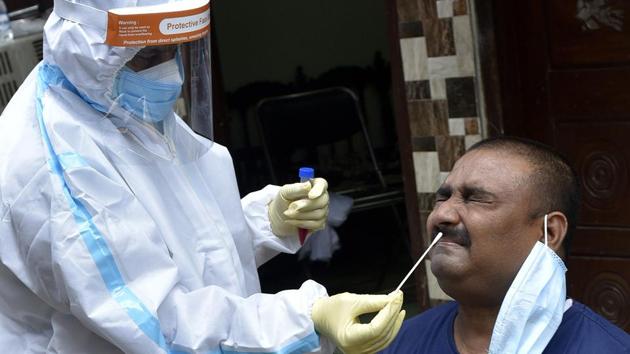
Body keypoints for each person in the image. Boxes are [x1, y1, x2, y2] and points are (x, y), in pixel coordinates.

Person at [0, 1, 404, 353]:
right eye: (146, 55)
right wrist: (308, 318)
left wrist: (265, 220)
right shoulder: (54, 167)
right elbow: (158, 323)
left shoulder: (111, 102)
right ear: (90, 46)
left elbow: (178, 240)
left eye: (173, 50)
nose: (167, 72)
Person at [380, 136, 630, 354]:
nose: (441, 214)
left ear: (549, 233)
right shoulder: (400, 342)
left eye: (476, 198)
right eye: (442, 197)